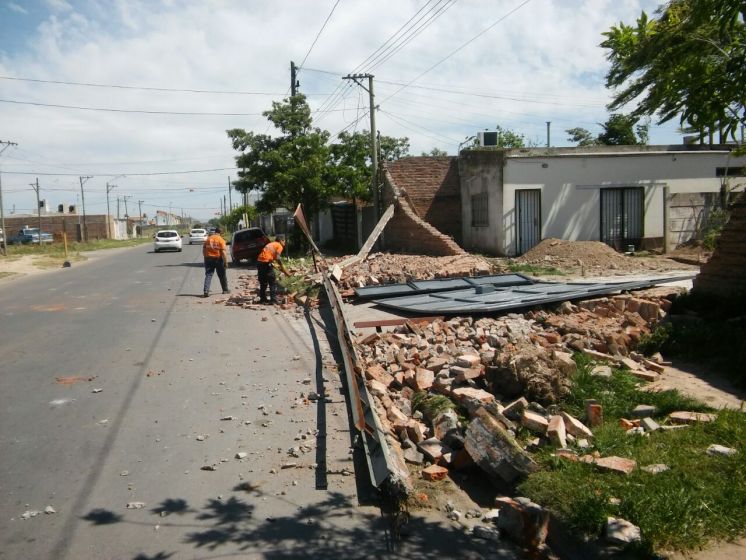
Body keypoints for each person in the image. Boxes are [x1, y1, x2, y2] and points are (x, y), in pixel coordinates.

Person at [256, 234, 290, 304]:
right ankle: (273, 300)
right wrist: (282, 266)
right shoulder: (279, 246)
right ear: (281, 241)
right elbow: (277, 258)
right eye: (284, 241)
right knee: (272, 281)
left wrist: (279, 268)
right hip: (265, 263)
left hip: (259, 262)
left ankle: (263, 299)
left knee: (263, 282)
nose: (284, 243)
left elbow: (271, 259)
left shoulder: (271, 244)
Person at [202, 226, 229, 297]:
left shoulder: (208, 239)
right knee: (222, 275)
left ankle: (206, 291)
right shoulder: (221, 240)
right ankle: (225, 290)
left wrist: (205, 258)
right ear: (221, 233)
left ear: (215, 231)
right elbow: (223, 253)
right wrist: (226, 262)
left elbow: (204, 250)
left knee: (209, 275)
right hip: (218, 259)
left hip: (208, 259)